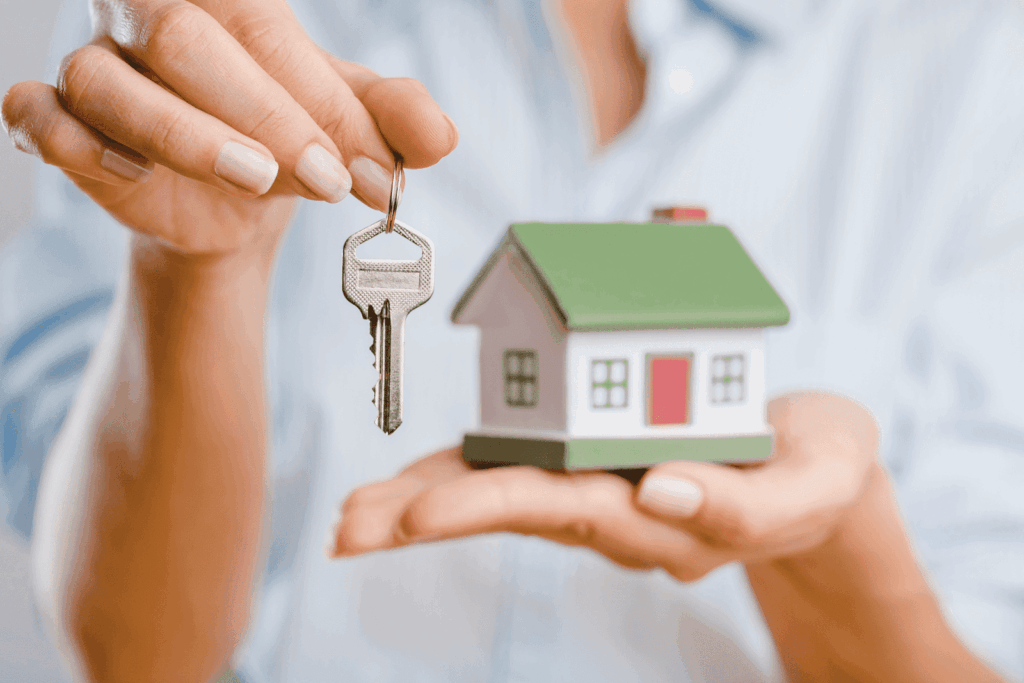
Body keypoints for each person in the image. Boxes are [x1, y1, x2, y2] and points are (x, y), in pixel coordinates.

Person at [2, 0, 1023, 681]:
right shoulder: (218, 25)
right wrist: (198, 269)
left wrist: (830, 549)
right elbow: (135, 658)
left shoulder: (969, 58)